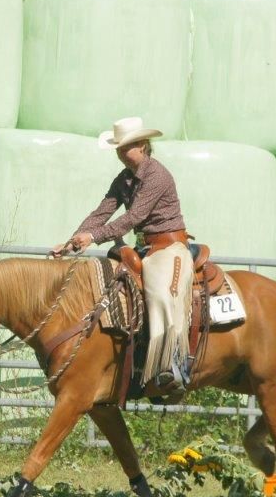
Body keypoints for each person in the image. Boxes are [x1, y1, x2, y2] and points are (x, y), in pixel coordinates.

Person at [50, 116, 192, 400]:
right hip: (144, 249)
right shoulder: (124, 179)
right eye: (117, 147)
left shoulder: (157, 175)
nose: (120, 152)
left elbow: (133, 217)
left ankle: (174, 365)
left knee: (163, 293)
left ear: (142, 145)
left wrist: (92, 238)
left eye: (125, 147)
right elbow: (102, 212)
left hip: (169, 247)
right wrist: (72, 241)